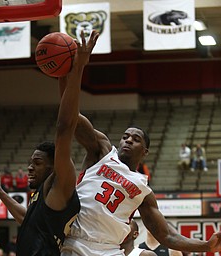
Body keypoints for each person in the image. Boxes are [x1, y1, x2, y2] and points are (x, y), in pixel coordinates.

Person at [61, 31, 221, 256]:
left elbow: (167, 235)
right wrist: (72, 71)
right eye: (126, 136)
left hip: (109, 250)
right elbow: (71, 118)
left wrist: (206, 246)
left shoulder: (143, 190)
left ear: (145, 151)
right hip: (75, 242)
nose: (128, 140)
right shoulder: (102, 150)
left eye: (135, 139)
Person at [0, 30, 99, 255]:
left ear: (55, 165)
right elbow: (25, 219)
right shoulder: (44, 196)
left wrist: (78, 69)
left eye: (37, 162)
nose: (29, 167)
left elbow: (65, 128)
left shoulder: (61, 183)